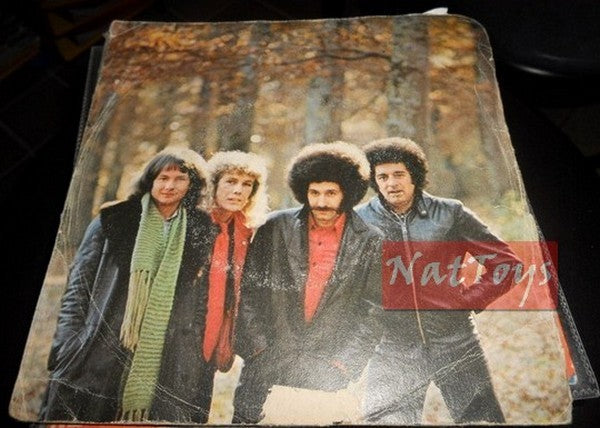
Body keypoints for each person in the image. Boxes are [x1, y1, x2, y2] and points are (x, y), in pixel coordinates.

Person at [40, 147, 218, 423]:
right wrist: (68, 345)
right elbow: (77, 290)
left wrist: (190, 353)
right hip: (99, 350)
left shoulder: (201, 230)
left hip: (163, 353)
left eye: (179, 179)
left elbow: (199, 301)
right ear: (150, 180)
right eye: (163, 178)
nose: (169, 186)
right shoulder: (113, 220)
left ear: (192, 185)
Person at [356, 137, 519, 424]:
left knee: (480, 422)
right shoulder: (359, 221)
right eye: (383, 177)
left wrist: (466, 300)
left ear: (414, 175)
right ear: (374, 181)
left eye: (399, 174)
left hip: (456, 342)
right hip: (392, 349)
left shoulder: (450, 213)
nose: (391, 183)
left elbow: (507, 265)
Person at [232, 141, 383, 423]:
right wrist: (258, 349)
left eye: (330, 193)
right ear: (303, 190)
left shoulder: (370, 240)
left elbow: (375, 310)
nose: (321, 202)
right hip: (267, 364)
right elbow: (247, 291)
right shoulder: (274, 227)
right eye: (314, 192)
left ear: (347, 193)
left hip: (327, 369)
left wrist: (344, 364)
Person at [203, 150, 269, 373]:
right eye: (231, 181)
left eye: (247, 184)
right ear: (213, 185)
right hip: (188, 333)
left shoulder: (245, 230)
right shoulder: (197, 223)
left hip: (220, 337)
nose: (238, 190)